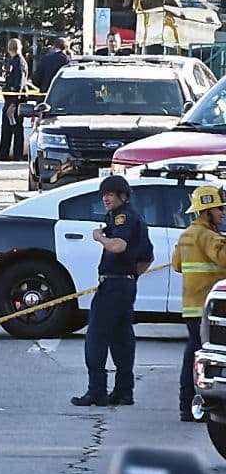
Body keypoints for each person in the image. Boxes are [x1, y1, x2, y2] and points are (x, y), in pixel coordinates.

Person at [71, 175, 154, 406]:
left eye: (110, 194)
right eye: (104, 194)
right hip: (125, 284)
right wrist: (132, 276)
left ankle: (97, 391)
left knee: (96, 337)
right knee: (121, 338)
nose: (106, 198)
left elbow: (119, 246)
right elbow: (148, 256)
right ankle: (123, 391)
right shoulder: (134, 217)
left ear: (123, 196)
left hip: (114, 284)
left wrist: (100, 238)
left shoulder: (123, 217)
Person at [171, 186, 226, 422]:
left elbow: (176, 265)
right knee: (203, 361)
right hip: (207, 310)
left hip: (190, 309)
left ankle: (187, 406)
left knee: (191, 356)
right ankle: (197, 408)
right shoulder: (209, 237)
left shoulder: (186, 235)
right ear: (206, 211)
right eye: (219, 208)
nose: (222, 213)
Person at [0, 38, 28, 161]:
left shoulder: (19, 62)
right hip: (10, 100)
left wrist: (14, 104)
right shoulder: (14, 61)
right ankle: (3, 154)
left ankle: (17, 155)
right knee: (6, 128)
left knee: (16, 129)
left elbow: (19, 84)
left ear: (9, 49)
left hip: (15, 101)